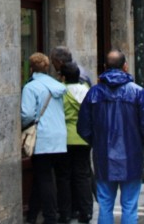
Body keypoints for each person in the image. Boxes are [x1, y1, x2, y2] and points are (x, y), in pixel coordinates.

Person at [77, 50, 144, 224]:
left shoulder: (94, 93)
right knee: (129, 205)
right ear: (125, 67)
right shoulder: (137, 92)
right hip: (131, 155)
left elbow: (83, 127)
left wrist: (97, 142)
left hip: (103, 156)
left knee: (105, 205)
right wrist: (138, 143)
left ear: (105, 67)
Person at [22, 52, 68, 224]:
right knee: (45, 176)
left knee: (44, 177)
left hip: (43, 136)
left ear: (31, 68)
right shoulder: (57, 85)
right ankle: (33, 214)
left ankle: (50, 217)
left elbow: (27, 114)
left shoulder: (30, 87)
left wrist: (23, 125)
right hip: (59, 136)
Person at [56, 62, 92, 224]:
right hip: (84, 137)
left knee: (64, 176)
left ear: (63, 77)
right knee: (82, 175)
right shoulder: (87, 91)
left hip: (65, 137)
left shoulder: (61, 91)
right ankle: (86, 211)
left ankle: (65, 213)